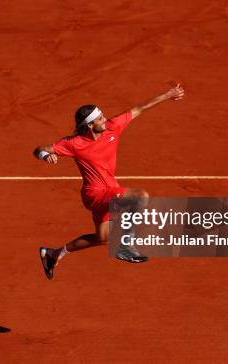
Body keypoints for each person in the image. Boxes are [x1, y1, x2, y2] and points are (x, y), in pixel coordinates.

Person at [33, 84, 185, 279]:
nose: (105, 120)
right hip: (95, 193)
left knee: (103, 238)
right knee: (140, 196)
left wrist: (167, 95)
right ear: (89, 125)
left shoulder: (113, 127)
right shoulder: (74, 143)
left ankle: (53, 254)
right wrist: (45, 156)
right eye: (100, 119)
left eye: (103, 116)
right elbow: (39, 149)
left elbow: (139, 108)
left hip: (110, 189)